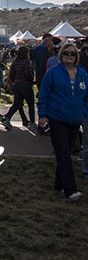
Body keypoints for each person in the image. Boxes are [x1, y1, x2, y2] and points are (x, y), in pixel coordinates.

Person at [37, 42, 88, 201]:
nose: (69, 56)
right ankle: (70, 189)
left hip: (74, 120)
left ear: (76, 56)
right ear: (61, 55)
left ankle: (59, 184)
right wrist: (43, 115)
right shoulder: (53, 73)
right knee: (64, 153)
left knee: (64, 153)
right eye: (66, 53)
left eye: (72, 54)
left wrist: (83, 111)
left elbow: (87, 97)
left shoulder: (83, 74)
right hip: (57, 118)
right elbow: (43, 95)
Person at [1, 46, 37, 131]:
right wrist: (32, 78)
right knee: (30, 104)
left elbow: (12, 74)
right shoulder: (27, 62)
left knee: (17, 104)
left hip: (17, 85)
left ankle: (7, 118)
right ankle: (32, 122)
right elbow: (28, 74)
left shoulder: (15, 62)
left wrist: (14, 81)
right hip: (26, 85)